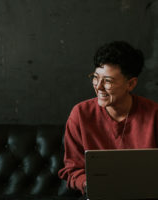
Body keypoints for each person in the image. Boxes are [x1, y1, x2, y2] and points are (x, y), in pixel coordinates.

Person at [58, 41, 158, 194]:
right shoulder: (80, 114)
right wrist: (88, 184)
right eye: (96, 77)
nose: (98, 86)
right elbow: (72, 170)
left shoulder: (154, 114)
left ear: (131, 84)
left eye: (108, 81)